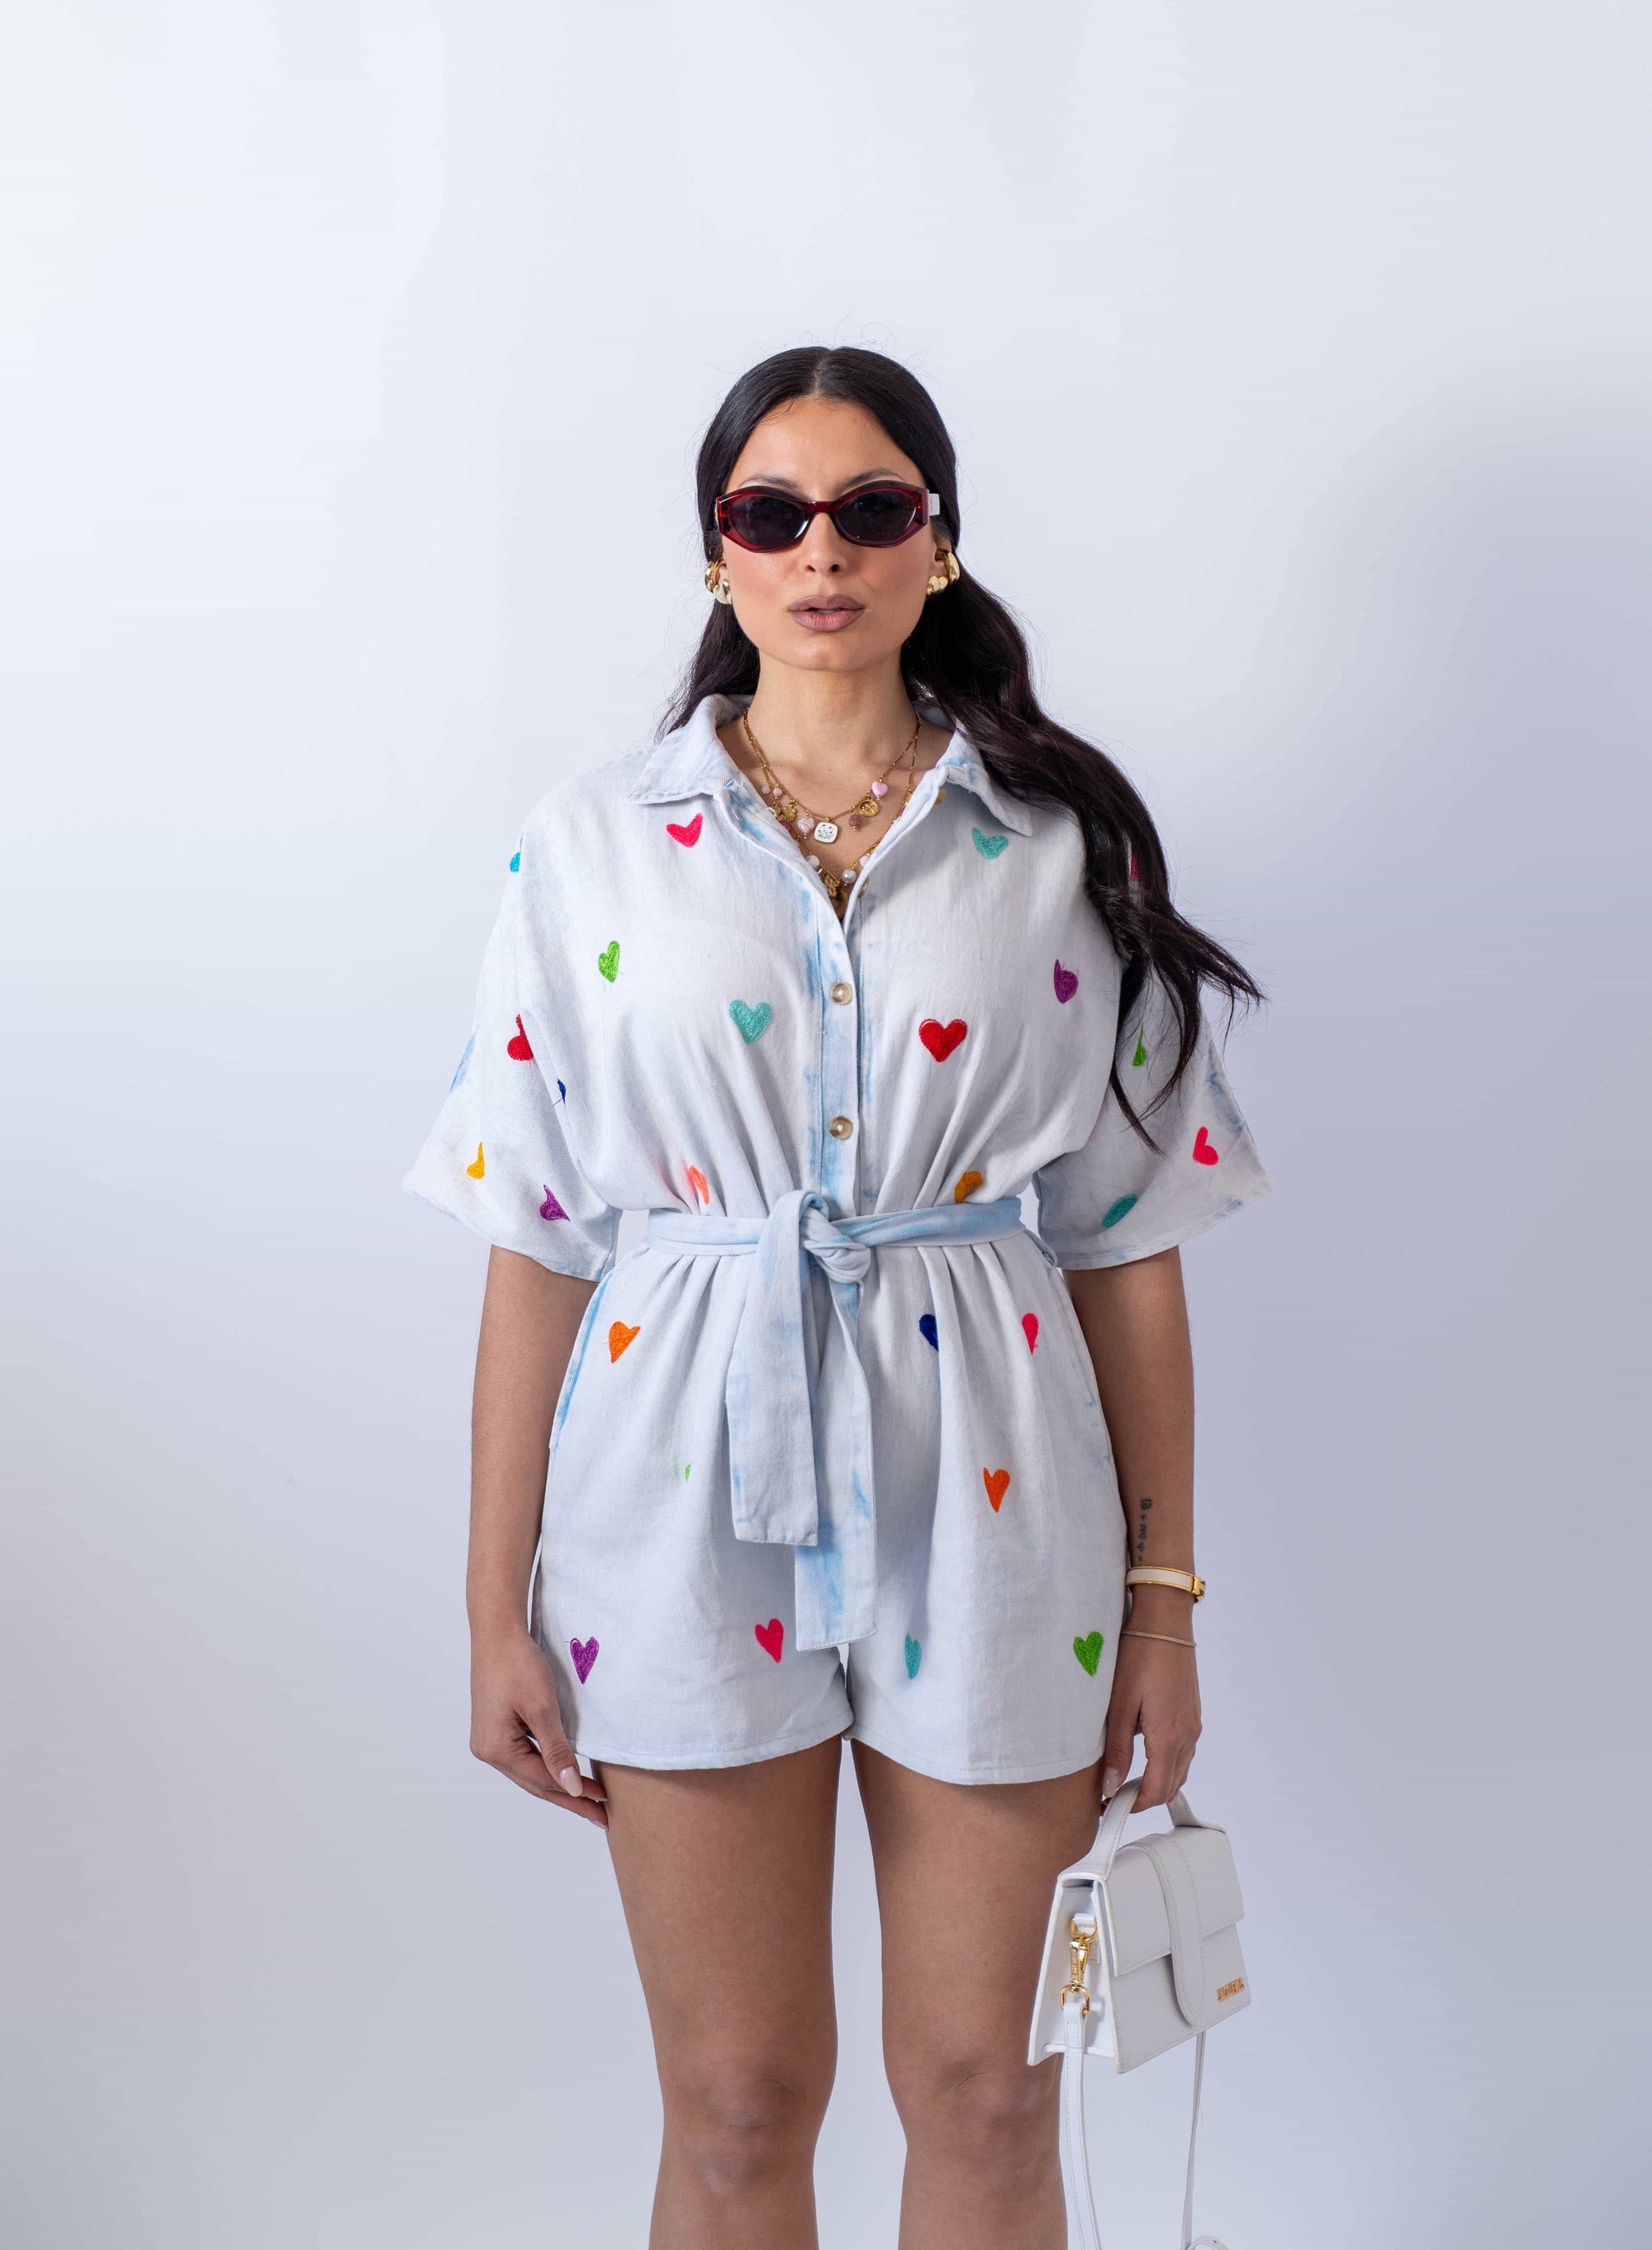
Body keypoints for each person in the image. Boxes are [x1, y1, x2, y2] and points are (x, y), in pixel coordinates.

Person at [405, 344, 1270, 2248]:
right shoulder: (591, 844)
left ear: (937, 545)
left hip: (999, 1495)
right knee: (734, 2103)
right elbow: (534, 1232)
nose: (822, 549)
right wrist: (489, 1609)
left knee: (987, 2093)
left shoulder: (1057, 844)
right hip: (674, 1487)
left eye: (871, 508)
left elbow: (1128, 1245)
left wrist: (1166, 1606)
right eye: (770, 511)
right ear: (713, 552)